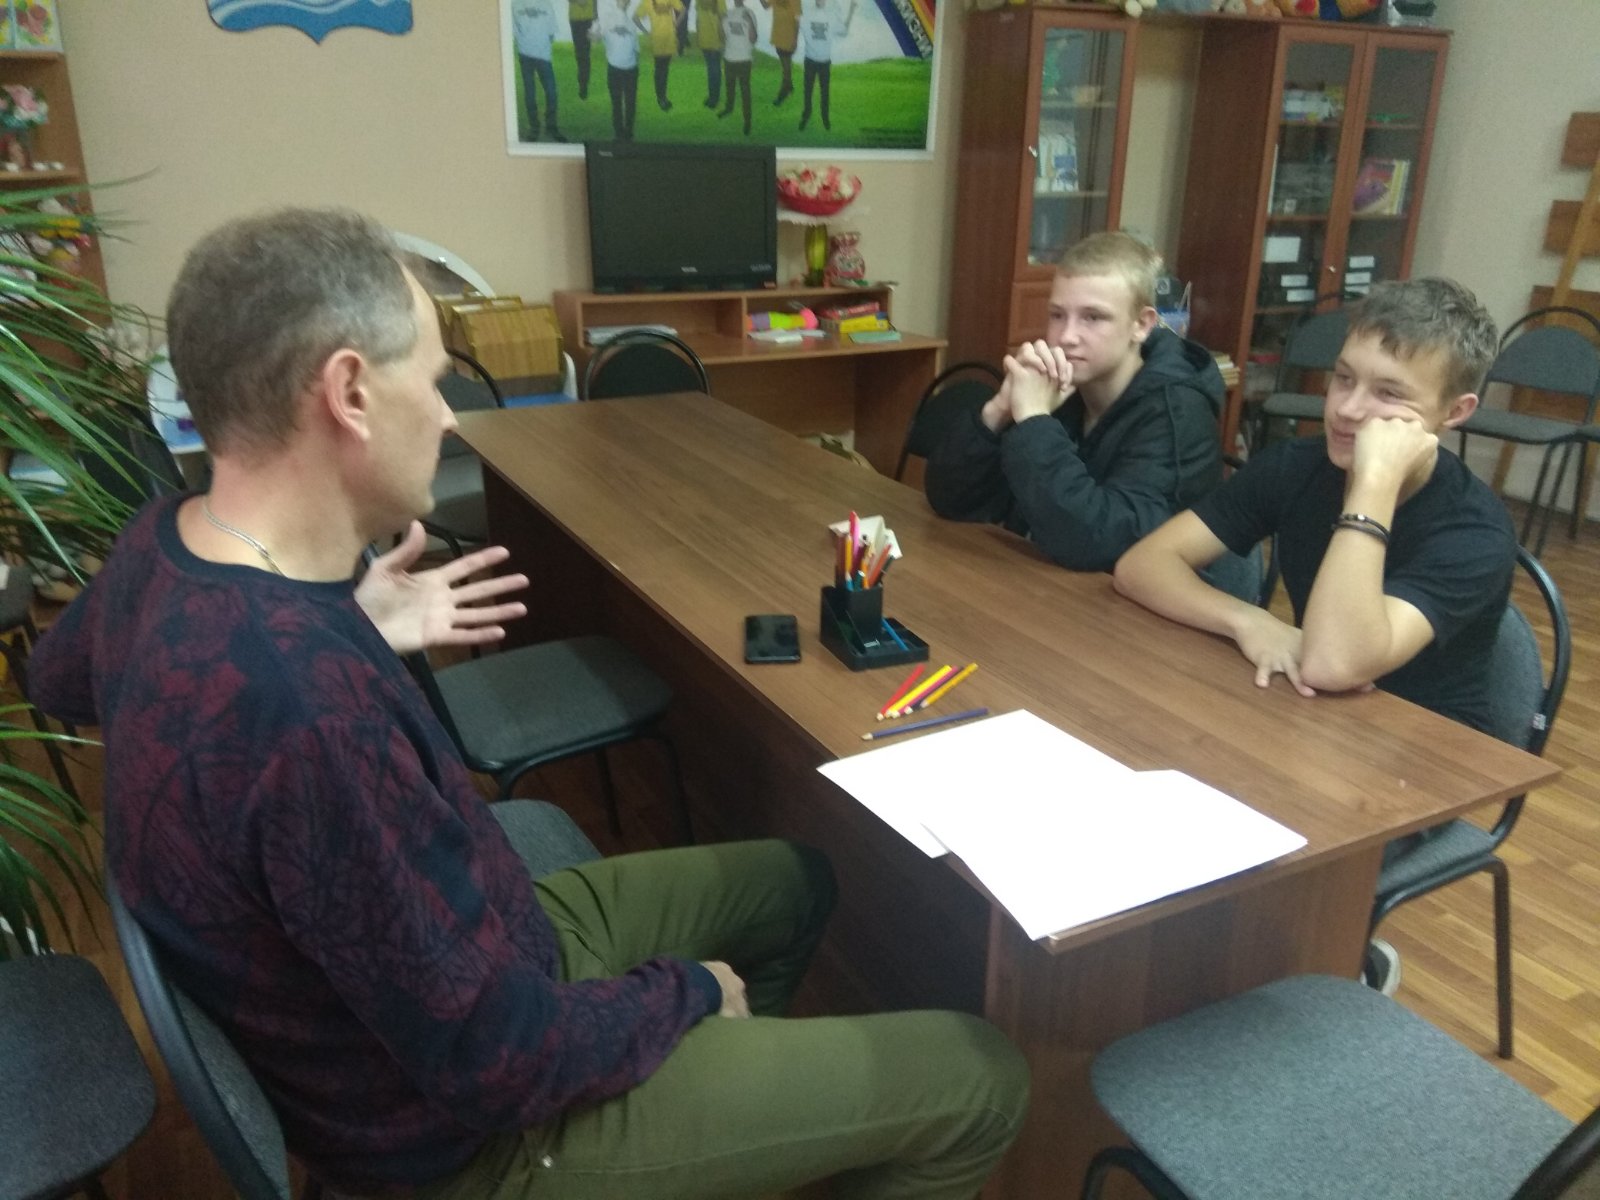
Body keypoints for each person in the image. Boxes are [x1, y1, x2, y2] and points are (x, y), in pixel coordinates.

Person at [30, 208, 1030, 1200]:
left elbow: (62, 680)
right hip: (477, 1140)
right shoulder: (307, 715)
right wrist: (687, 995)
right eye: (432, 381)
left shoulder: (164, 544)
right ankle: (680, 1130)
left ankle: (717, 1145)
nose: (450, 416)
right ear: (350, 394)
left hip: (492, 949)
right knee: (981, 1080)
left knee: (796, 879)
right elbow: (492, 1061)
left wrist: (343, 619)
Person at [1113, 277, 1512, 995]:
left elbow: (1334, 662)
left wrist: (1373, 488)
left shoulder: (1474, 530)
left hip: (1418, 762)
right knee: (1142, 781)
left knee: (1222, 861)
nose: (1348, 410)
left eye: (1388, 395)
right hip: (1315, 722)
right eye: (1343, 378)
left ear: (1454, 414)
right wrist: (1250, 619)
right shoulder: (1298, 468)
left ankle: (1333, 962)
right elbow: (1143, 565)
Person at [925, 231, 1227, 574]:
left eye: (1093, 317)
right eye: (1057, 315)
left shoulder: (1179, 414)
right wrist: (1000, 409)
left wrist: (1034, 420)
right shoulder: (1062, 384)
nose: (1066, 337)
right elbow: (950, 499)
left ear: (1142, 325)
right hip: (1041, 584)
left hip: (1130, 603)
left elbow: (1097, 545)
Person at [512, 0, 567, 143]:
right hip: (525, 55)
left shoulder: (546, 4)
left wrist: (541, 46)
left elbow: (551, 33)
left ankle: (551, 127)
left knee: (551, 92)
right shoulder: (516, 4)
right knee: (530, 93)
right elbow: (513, 30)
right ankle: (534, 128)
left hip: (544, 56)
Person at [798, 0, 853, 131]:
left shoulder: (831, 16)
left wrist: (851, 12)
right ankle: (806, 114)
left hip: (824, 62)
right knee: (808, 91)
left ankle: (825, 117)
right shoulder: (807, 14)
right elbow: (796, 20)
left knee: (824, 92)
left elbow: (844, 31)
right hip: (810, 60)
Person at [600, 0, 643, 141]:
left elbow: (636, 49)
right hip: (615, 69)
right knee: (617, 103)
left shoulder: (630, 24)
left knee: (630, 103)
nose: (624, 1)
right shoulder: (608, 19)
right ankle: (619, 133)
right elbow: (597, 35)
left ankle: (628, 133)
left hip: (631, 70)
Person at [718, 0, 757, 134]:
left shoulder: (749, 12)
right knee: (729, 87)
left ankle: (747, 121)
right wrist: (720, 21)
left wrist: (750, 21)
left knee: (745, 91)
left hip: (744, 59)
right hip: (729, 58)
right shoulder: (728, 13)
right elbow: (722, 37)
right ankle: (729, 108)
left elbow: (753, 39)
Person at [646, 0, 684, 111]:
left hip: (664, 39)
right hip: (663, 39)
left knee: (662, 70)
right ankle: (661, 97)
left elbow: (683, 10)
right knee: (661, 70)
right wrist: (675, 25)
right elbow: (683, 11)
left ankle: (662, 97)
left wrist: (675, 24)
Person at [763, 0, 800, 105]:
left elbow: (797, 20)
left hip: (789, 37)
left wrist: (795, 39)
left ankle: (783, 92)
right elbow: (766, 6)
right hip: (777, 36)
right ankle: (789, 86)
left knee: (786, 67)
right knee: (785, 66)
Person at [695, 0, 725, 108]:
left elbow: (722, 17)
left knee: (713, 68)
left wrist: (721, 38)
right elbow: (722, 15)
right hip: (708, 37)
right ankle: (713, 97)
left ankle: (713, 98)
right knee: (712, 68)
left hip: (711, 37)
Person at [569, 0, 598, 101]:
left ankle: (583, 85)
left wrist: (595, 11)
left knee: (585, 54)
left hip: (587, 18)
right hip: (575, 19)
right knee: (580, 54)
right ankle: (582, 84)